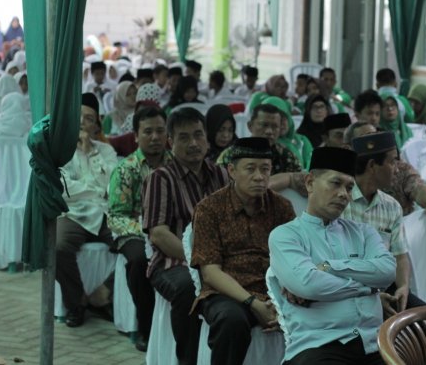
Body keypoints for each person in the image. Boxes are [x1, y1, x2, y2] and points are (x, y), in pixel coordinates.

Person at [268, 146, 397, 365]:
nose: (343, 195)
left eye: (349, 188)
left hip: (373, 344)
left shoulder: (363, 232)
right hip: (319, 347)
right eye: (335, 183)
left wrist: (330, 266)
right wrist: (368, 289)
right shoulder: (286, 235)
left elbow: (387, 272)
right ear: (310, 183)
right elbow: (309, 285)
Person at [191, 137, 296, 365]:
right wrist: (254, 304)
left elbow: (294, 261)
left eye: (265, 169)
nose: (259, 177)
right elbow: (210, 272)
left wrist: (282, 302)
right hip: (227, 293)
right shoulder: (210, 209)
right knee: (231, 320)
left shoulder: (282, 207)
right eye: (250, 169)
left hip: (273, 290)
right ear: (231, 170)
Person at [143, 107, 230, 365]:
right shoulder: (161, 178)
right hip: (172, 263)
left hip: (217, 262)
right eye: (184, 137)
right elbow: (158, 235)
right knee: (188, 289)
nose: (193, 143)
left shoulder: (221, 175)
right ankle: (187, 360)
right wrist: (200, 261)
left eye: (198, 135)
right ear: (171, 142)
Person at [107, 106, 173, 351]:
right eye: (148, 132)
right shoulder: (126, 169)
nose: (155, 137)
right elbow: (116, 216)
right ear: (136, 136)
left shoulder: (176, 164)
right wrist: (149, 231)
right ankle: (146, 329)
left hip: (170, 229)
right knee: (138, 261)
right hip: (134, 230)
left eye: (160, 131)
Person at [342, 132, 426, 318]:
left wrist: (403, 287)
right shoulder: (341, 202)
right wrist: (370, 296)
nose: (397, 169)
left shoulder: (391, 207)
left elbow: (400, 256)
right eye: (392, 162)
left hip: (387, 288)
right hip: (349, 292)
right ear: (372, 166)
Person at [55, 93, 118, 328]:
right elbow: (64, 190)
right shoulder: (60, 150)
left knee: (135, 245)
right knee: (57, 246)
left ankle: (102, 295)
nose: (83, 122)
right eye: (78, 117)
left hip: (104, 213)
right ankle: (76, 302)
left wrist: (91, 151)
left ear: (96, 125)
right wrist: (96, 189)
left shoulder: (106, 150)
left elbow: (112, 186)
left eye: (89, 118)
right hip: (73, 213)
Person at [344, 122, 426, 219]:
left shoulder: (399, 169)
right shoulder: (342, 181)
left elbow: (417, 186)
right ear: (349, 147)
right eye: (365, 138)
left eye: (375, 135)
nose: (374, 141)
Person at [217, 104, 302, 174]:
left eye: (275, 127)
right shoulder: (231, 155)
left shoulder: (286, 156)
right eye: (264, 125)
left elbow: (301, 183)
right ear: (250, 126)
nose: (269, 131)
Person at [262, 96, 313, 170]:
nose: (282, 123)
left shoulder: (302, 140)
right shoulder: (267, 146)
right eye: (277, 119)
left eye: (284, 117)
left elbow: (313, 165)